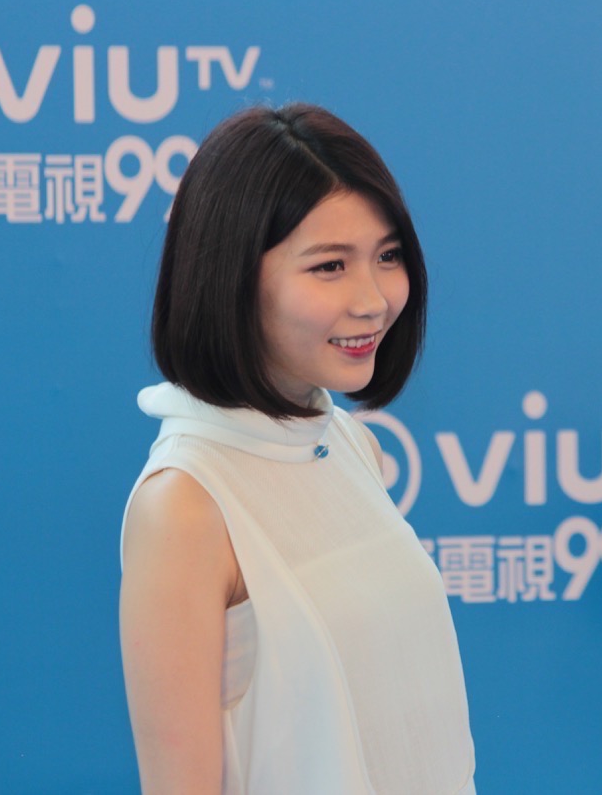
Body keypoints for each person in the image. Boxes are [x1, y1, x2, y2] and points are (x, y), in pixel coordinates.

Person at [118, 103, 476, 794]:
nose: (373, 300)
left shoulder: (349, 443)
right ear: (231, 278)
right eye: (329, 266)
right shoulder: (184, 507)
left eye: (388, 256)